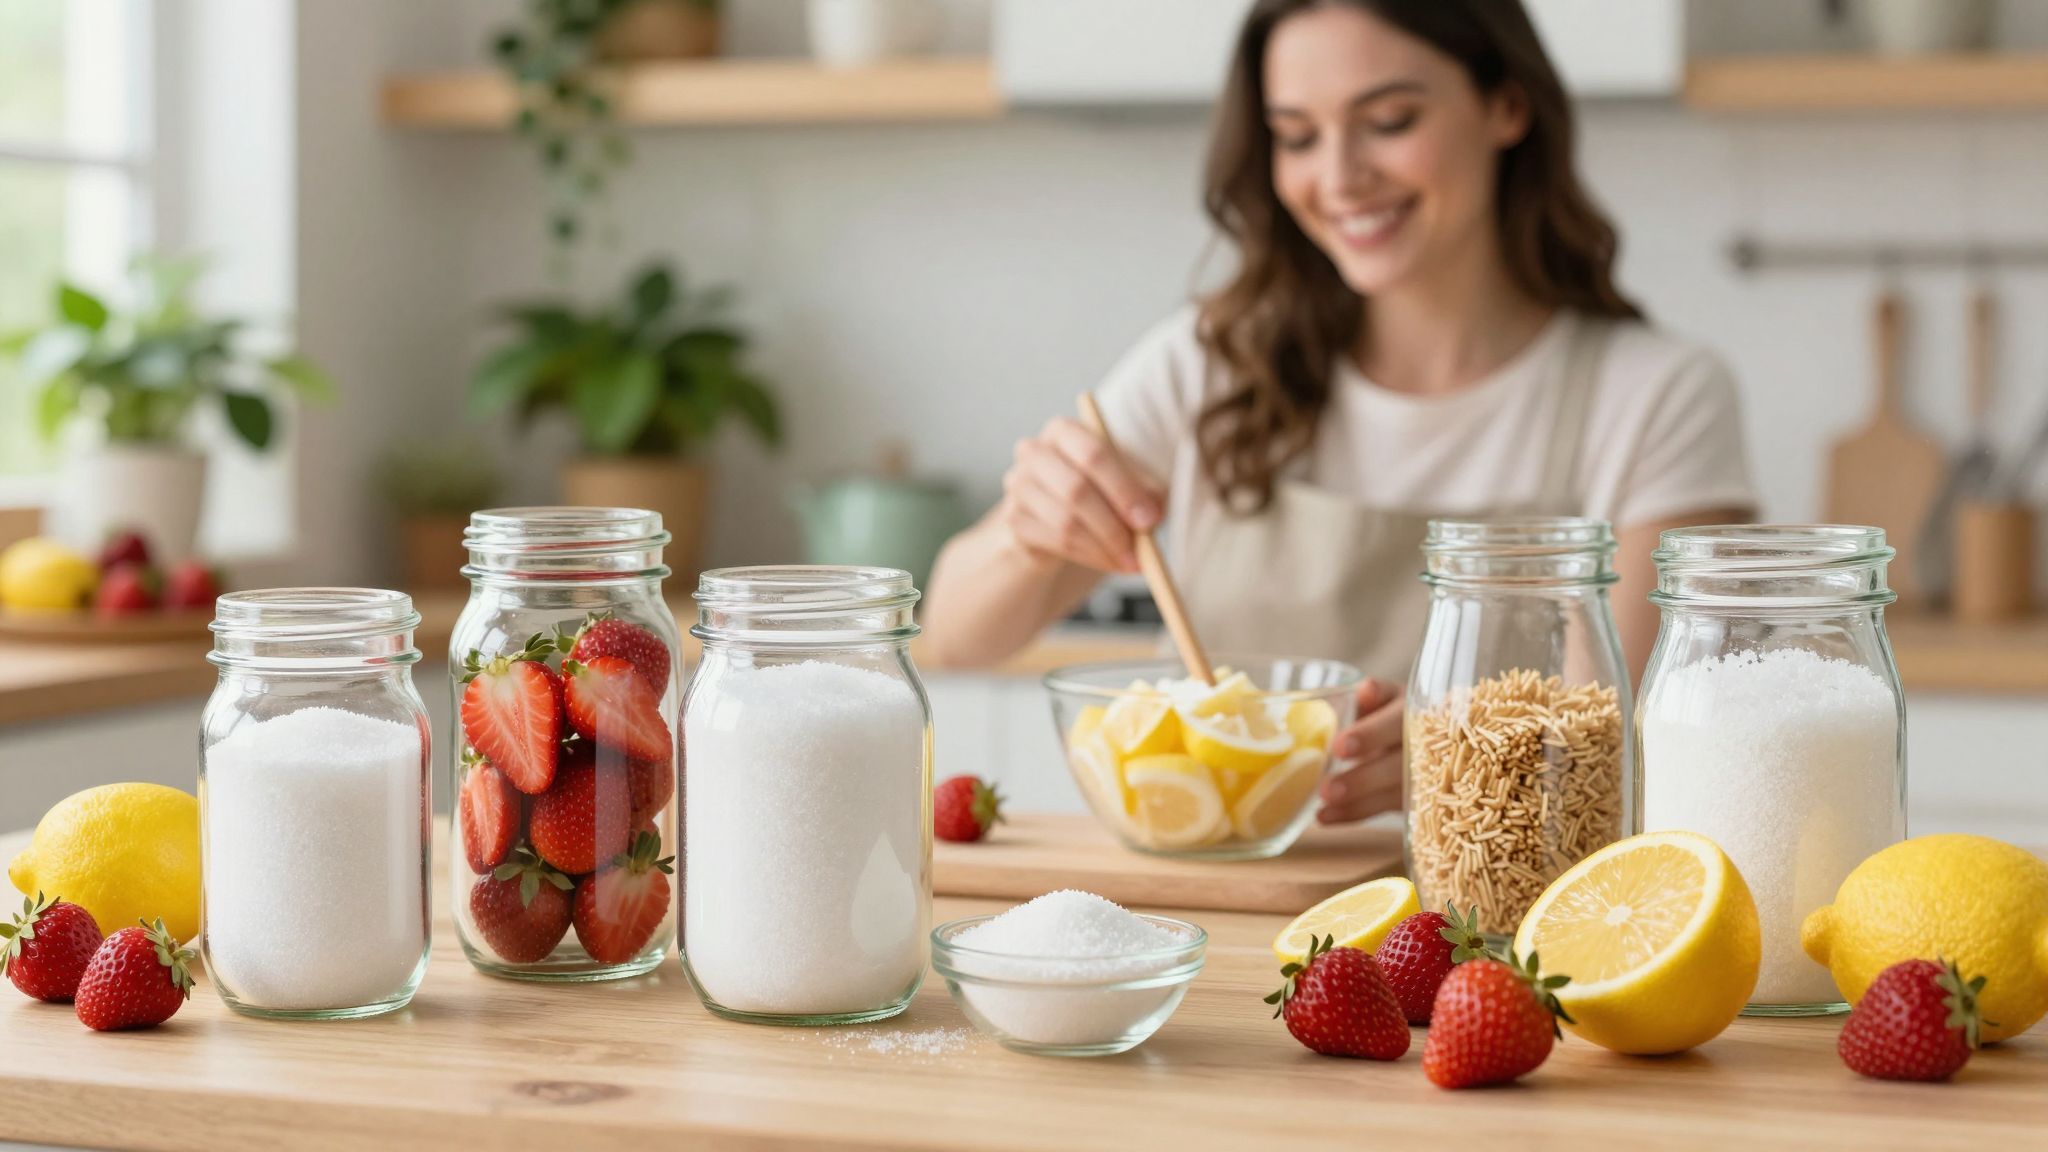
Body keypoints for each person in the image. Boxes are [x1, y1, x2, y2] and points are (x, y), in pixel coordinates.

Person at [922, 0, 1754, 825]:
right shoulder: (1212, 360)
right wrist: (1033, 533)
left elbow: (1638, 749)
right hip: (1222, 914)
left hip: (1488, 938)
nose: (1339, 177)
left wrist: (1458, 754)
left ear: (1507, 105)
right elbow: (956, 636)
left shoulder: (1657, 394)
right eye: (1297, 137)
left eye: (1388, 120)